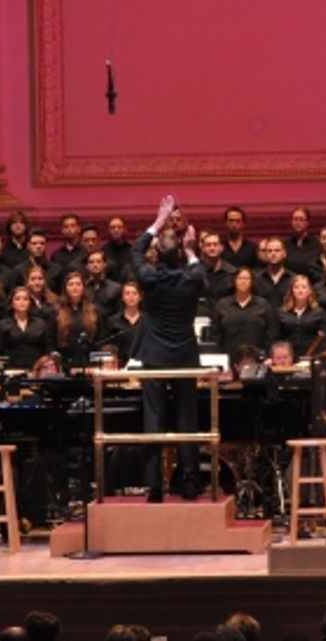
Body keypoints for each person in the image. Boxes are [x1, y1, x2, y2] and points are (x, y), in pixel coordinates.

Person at [133, 194, 207, 502]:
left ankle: (154, 486)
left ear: (156, 255)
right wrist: (190, 250)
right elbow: (200, 272)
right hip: (184, 355)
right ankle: (189, 483)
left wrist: (158, 222)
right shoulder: (191, 279)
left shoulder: (148, 277)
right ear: (178, 253)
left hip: (154, 355)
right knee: (186, 418)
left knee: (153, 417)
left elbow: (135, 251)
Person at [0, 287, 49, 369]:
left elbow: (47, 349)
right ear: (12, 303)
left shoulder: (41, 324)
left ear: (30, 303)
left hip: (36, 369)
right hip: (11, 369)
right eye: (17, 299)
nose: (22, 302)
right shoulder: (2, 325)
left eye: (25, 299)